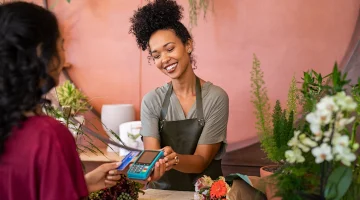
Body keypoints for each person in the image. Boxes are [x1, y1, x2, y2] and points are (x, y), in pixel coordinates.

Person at [0, 2, 122, 199]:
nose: (63, 56)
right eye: (61, 45)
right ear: (41, 52)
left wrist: (81, 183)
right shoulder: (49, 136)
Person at [129, 0, 229, 191]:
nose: (164, 59)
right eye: (156, 55)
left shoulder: (216, 97)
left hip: (206, 193)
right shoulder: (152, 101)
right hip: (163, 193)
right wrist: (153, 168)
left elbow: (202, 160)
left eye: (170, 48)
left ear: (188, 45)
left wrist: (172, 158)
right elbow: (151, 154)